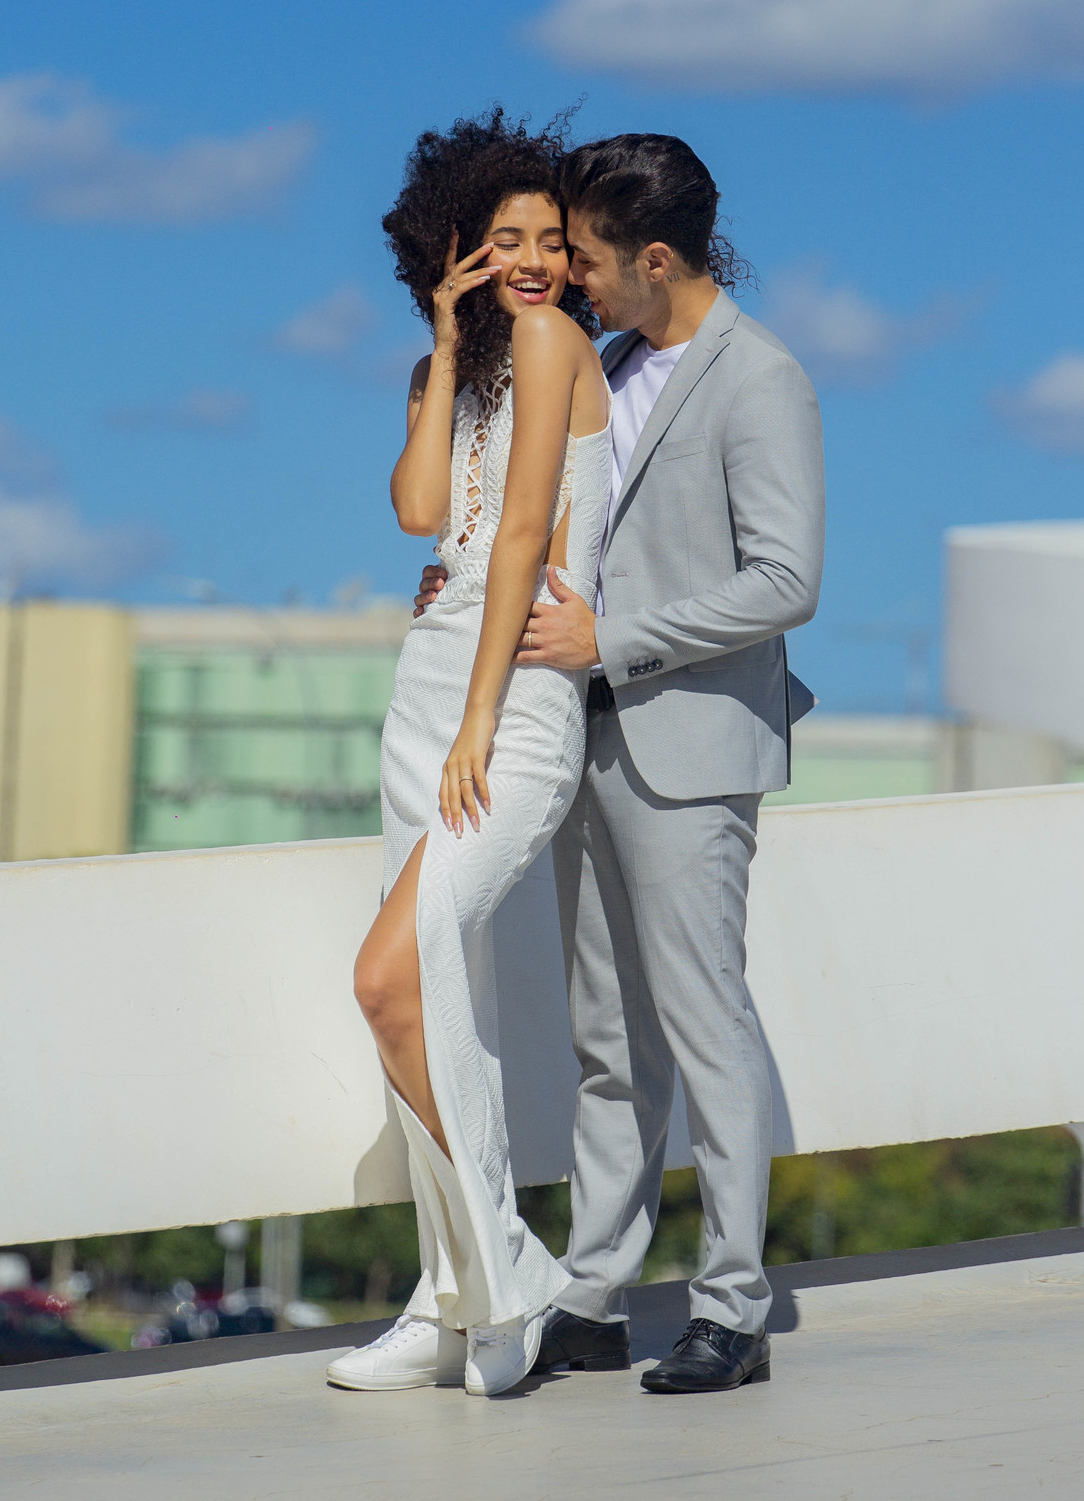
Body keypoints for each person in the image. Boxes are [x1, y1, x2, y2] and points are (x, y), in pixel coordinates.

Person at [415, 134, 824, 1394]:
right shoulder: (600, 365)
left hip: (690, 748)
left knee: (706, 1026)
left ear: (657, 257)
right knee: (607, 1035)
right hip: (579, 736)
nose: (572, 280)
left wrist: (615, 640)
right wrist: (471, 577)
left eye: (588, 258)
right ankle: (594, 1291)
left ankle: (733, 1305)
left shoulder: (762, 382)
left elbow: (787, 579)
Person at [325, 110, 612, 1399]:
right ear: (456, 252)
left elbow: (517, 543)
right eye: (507, 241)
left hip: (511, 704)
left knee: (391, 980)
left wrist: (489, 718)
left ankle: (508, 1270)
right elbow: (423, 512)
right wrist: (443, 346)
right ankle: (454, 1302)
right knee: (447, 1010)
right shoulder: (467, 359)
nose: (538, 261)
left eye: (553, 238)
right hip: (426, 689)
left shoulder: (557, 344)